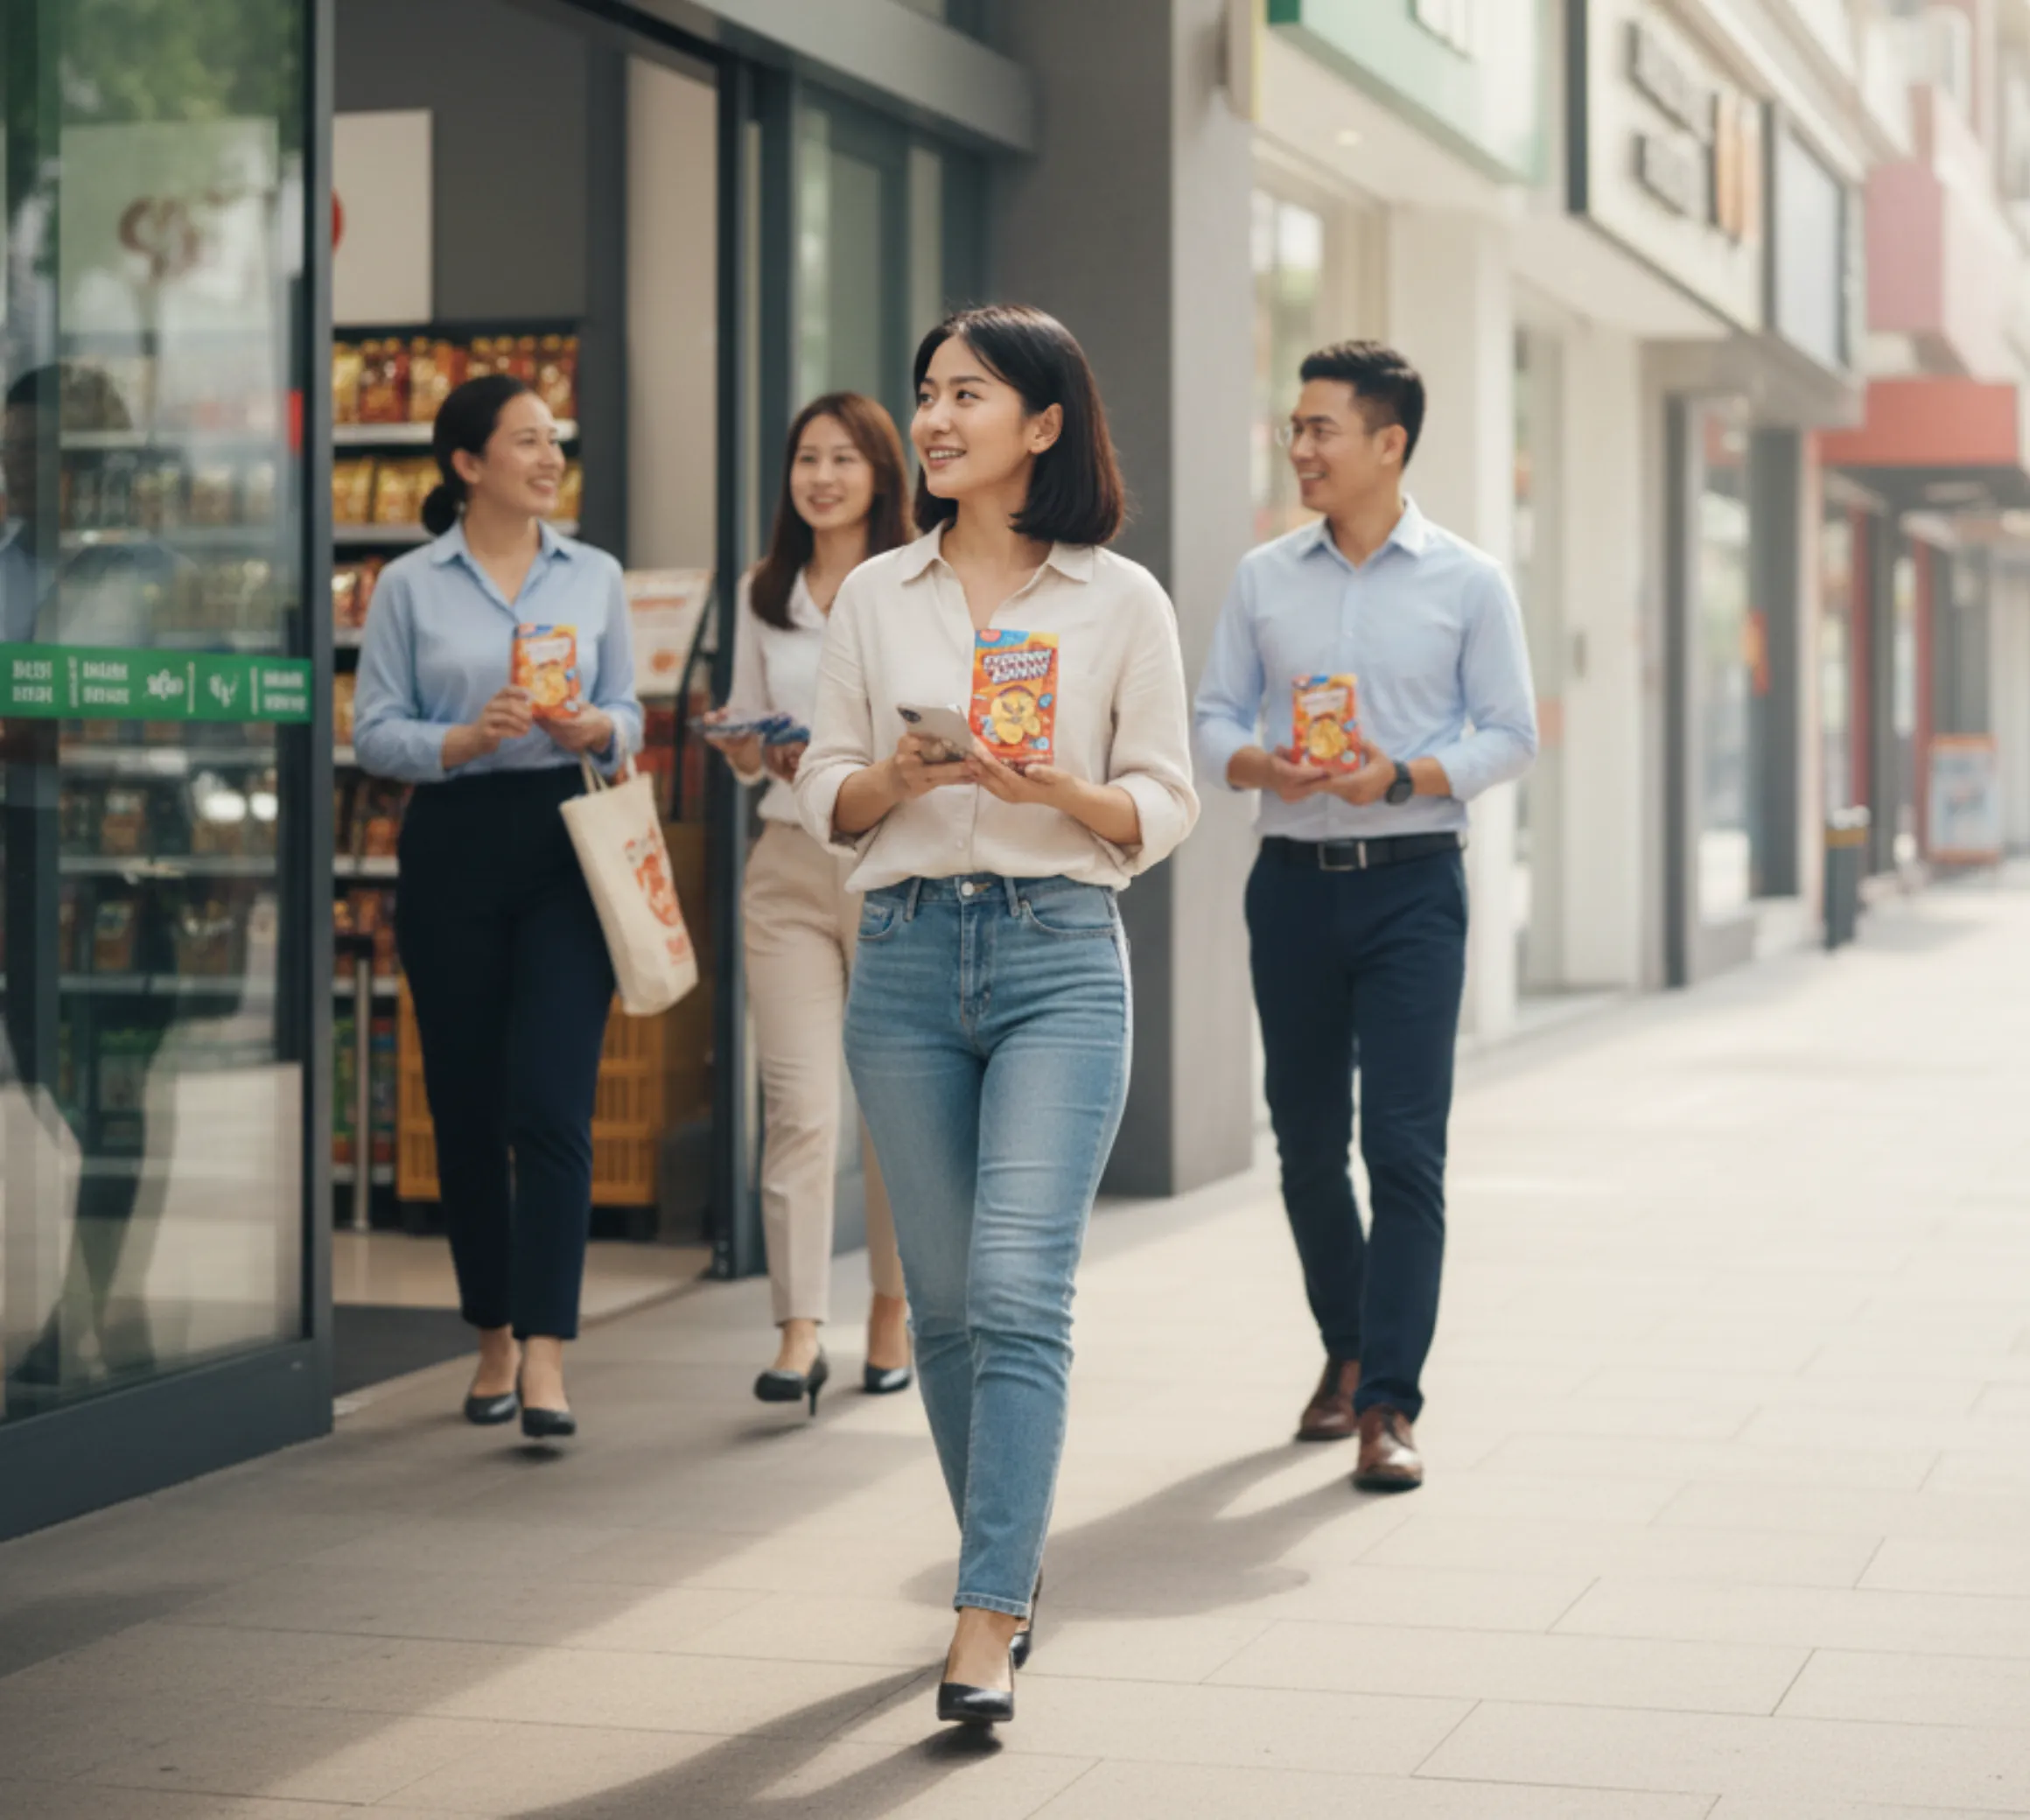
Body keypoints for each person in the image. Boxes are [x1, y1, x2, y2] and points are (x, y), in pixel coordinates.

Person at [797, 304, 1199, 1726]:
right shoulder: (875, 595)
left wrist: (1060, 792)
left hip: (1059, 958)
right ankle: (1010, 1563)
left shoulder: (1121, 601)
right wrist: (899, 779)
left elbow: (1165, 800)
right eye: (928, 392)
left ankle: (983, 1614)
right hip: (905, 959)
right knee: (951, 1307)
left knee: (1022, 1290)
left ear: (1045, 423)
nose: (935, 417)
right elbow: (824, 789)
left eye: (968, 393)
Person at [1194, 340, 1536, 1492]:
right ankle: (1344, 1348)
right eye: (1294, 427)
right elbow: (1211, 718)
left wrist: (1404, 776)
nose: (1298, 447)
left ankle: (1388, 1401)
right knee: (1302, 1143)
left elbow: (1510, 734)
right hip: (1291, 884)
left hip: (1413, 887)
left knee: (1402, 1147)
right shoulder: (1262, 579)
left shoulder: (1470, 581)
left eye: (1319, 429)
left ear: (1388, 444)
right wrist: (1262, 764)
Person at [353, 373, 641, 1442]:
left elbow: (628, 710)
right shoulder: (408, 587)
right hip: (454, 843)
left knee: (552, 1104)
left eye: (553, 439)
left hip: (569, 841)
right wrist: (462, 739)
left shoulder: (594, 575)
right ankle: (491, 1339)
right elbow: (373, 732)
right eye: (526, 440)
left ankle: (547, 1354)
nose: (550, 456)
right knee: (466, 1105)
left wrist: (596, 728)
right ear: (468, 463)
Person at [696, 393, 914, 1412]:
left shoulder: (914, 581)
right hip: (785, 858)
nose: (821, 478)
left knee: (892, 1105)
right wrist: (748, 746)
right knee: (798, 1103)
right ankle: (797, 1329)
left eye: (843, 458)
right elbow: (745, 725)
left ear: (880, 472)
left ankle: (891, 1308)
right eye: (806, 459)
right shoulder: (763, 590)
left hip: (888, 861)